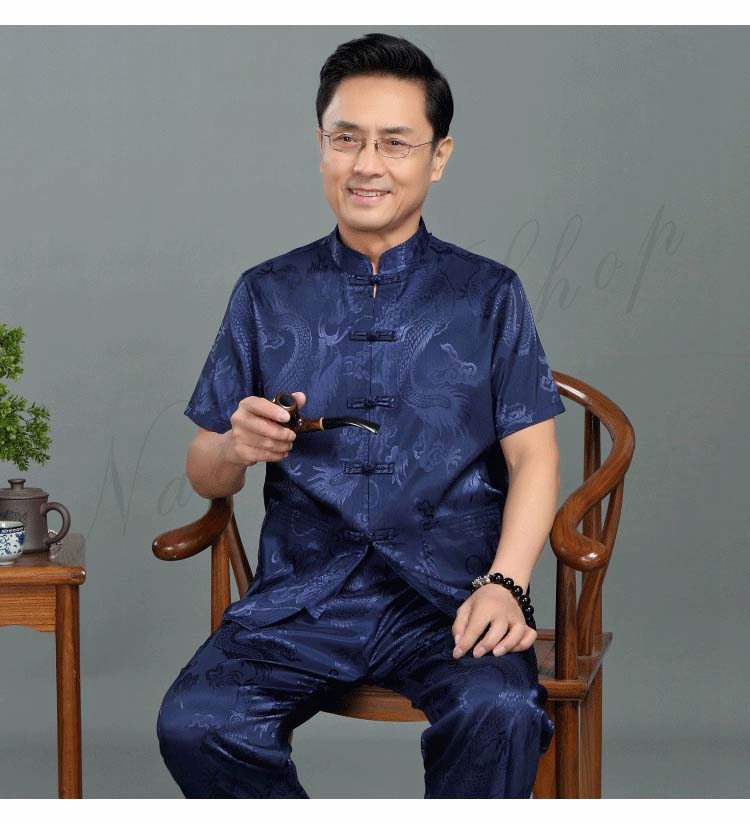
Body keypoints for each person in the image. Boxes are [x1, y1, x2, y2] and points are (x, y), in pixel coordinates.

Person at [156, 32, 566, 799]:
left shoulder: (489, 294)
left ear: (438, 157)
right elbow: (204, 469)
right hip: (301, 599)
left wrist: (506, 584)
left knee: (501, 711)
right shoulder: (265, 293)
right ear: (321, 146)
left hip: (450, 596)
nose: (366, 164)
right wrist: (236, 447)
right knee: (197, 722)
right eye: (346, 139)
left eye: (394, 142)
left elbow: (534, 457)